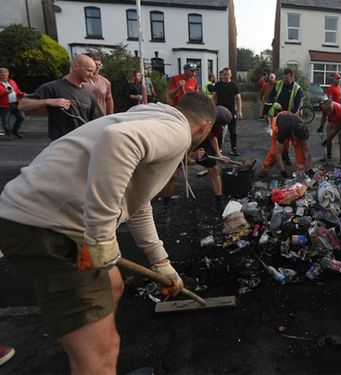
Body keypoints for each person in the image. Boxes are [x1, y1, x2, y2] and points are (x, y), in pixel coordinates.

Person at [0, 91, 216, 374]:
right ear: (206, 128)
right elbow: (118, 140)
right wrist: (101, 236)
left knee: (113, 283)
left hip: (30, 214)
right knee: (101, 352)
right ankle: (94, 359)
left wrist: (161, 261)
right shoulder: (177, 132)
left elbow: (137, 203)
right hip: (51, 230)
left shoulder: (153, 116)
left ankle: (89, 341)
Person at [163, 105, 233, 212]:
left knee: (214, 170)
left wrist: (219, 154)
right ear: (211, 120)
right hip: (184, 142)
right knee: (173, 175)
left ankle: (218, 201)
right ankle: (166, 202)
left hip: (202, 143)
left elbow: (212, 137)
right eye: (220, 125)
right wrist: (191, 156)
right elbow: (186, 148)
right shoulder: (194, 123)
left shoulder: (217, 126)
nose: (222, 128)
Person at [18, 54, 103, 141]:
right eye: (89, 71)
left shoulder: (89, 94)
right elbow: (22, 105)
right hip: (60, 145)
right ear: (76, 67)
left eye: (93, 72)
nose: (92, 75)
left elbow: (99, 121)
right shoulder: (52, 87)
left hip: (81, 145)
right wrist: (48, 101)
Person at [258, 108, 312, 178]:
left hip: (292, 119)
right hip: (281, 119)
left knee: (300, 147)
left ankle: (300, 170)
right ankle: (266, 167)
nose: (297, 139)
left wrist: (309, 168)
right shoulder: (283, 130)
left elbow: (306, 150)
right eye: (296, 138)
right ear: (292, 134)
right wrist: (283, 171)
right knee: (274, 151)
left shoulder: (304, 131)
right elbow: (278, 152)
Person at [267, 69, 304, 165]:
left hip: (290, 115)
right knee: (279, 136)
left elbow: (297, 104)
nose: (285, 79)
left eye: (287, 78)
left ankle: (286, 156)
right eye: (284, 77)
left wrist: (290, 115)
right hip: (278, 115)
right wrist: (275, 103)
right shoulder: (279, 84)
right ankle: (282, 156)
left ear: (292, 77)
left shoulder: (297, 88)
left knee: (290, 137)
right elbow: (271, 96)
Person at [213, 67, 243, 156]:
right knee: (219, 130)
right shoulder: (217, 85)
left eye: (228, 74)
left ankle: (233, 148)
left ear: (231, 75)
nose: (226, 76)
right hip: (220, 111)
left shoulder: (234, 85)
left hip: (231, 111)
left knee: (232, 131)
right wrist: (212, 108)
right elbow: (214, 97)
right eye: (225, 74)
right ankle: (219, 149)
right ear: (222, 75)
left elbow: (238, 99)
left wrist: (239, 111)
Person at [317, 99, 341, 165]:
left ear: (332, 106)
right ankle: (328, 155)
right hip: (333, 119)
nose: (328, 112)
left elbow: (335, 129)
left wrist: (326, 140)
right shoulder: (324, 106)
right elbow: (324, 116)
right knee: (329, 137)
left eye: (330, 110)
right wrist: (321, 127)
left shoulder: (338, 112)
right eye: (327, 110)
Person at [0, 68, 25, 141]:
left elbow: (17, 91)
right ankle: (9, 134)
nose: (5, 77)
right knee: (5, 121)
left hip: (15, 103)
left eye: (6, 75)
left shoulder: (12, 81)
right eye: (3, 75)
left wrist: (21, 94)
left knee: (21, 117)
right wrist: (6, 92)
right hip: (4, 105)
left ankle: (15, 131)